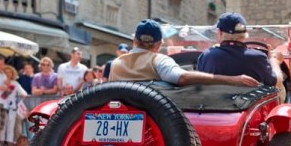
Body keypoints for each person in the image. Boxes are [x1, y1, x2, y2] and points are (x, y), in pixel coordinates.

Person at [110, 19, 257, 87]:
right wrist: (233, 80)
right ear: (158, 45)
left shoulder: (116, 63)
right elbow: (182, 77)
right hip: (153, 127)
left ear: (134, 41)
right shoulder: (158, 60)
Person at [197, 12, 283, 87]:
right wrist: (274, 61)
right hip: (250, 105)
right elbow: (277, 83)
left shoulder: (206, 56)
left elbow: (198, 84)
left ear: (219, 33)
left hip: (215, 105)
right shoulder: (258, 57)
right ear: (245, 34)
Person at [0, 65, 27, 146]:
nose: (8, 74)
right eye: (6, 72)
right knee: (2, 127)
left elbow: (24, 93)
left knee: (11, 127)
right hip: (2, 106)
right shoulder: (0, 82)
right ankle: (1, 144)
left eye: (10, 72)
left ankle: (10, 145)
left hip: (12, 107)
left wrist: (21, 95)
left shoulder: (15, 83)